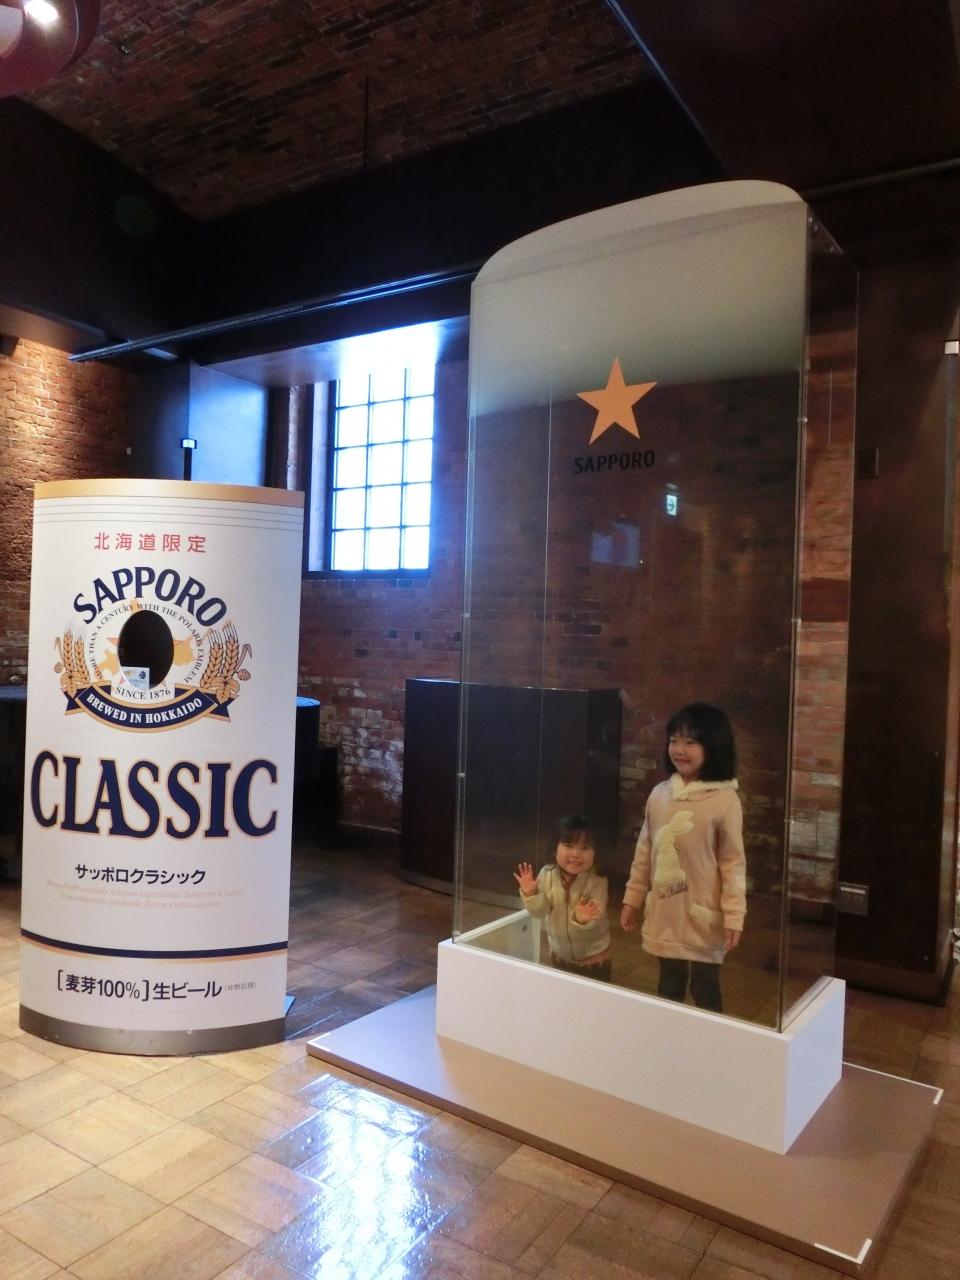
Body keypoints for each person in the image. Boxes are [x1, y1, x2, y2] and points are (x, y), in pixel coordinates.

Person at [619, 703, 745, 1012]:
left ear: (713, 746)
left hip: (703, 914)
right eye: (674, 740)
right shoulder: (659, 795)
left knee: (704, 986)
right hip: (665, 909)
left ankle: (710, 1038)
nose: (679, 749)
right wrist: (632, 899)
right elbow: (644, 852)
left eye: (690, 741)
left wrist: (734, 914)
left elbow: (732, 863)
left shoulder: (725, 800)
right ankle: (668, 1037)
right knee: (669, 983)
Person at [514, 813, 612, 982]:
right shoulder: (547, 874)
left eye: (585, 848)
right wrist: (531, 894)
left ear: (595, 852)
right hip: (559, 955)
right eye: (568, 845)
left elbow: (596, 917)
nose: (576, 854)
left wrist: (581, 919)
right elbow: (540, 912)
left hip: (594, 959)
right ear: (555, 849)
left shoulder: (597, 880)